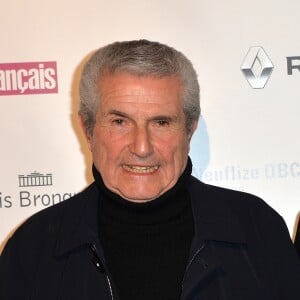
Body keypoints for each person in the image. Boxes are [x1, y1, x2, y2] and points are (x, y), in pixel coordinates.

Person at [1, 40, 300, 300]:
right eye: (120, 122)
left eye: (161, 122)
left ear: (190, 129)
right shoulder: (33, 248)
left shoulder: (257, 229)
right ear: (88, 129)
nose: (141, 147)